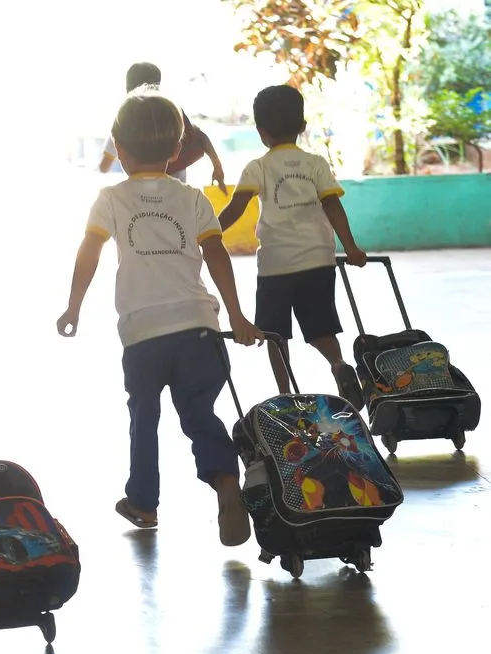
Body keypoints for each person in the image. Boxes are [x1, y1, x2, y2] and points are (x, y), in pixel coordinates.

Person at [56, 89, 264, 547]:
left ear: (119, 149)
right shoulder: (192, 199)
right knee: (199, 413)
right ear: (176, 151)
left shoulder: (110, 198)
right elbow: (216, 254)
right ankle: (227, 483)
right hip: (197, 327)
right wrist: (237, 315)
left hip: (143, 332)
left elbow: (88, 251)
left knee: (144, 416)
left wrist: (74, 306)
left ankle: (144, 503)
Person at [217, 84, 367, 409]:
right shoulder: (316, 164)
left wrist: (210, 232)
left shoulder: (257, 167)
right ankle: (339, 365)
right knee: (320, 327)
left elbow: (236, 207)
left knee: (274, 333)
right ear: (302, 126)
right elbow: (333, 207)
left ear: (261, 132)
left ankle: (286, 395)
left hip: (276, 265)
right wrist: (351, 247)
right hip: (318, 259)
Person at [99, 62, 227, 194]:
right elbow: (201, 137)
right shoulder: (172, 112)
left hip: (140, 197)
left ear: (128, 87)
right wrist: (218, 167)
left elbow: (104, 167)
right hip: (176, 195)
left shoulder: (126, 119)